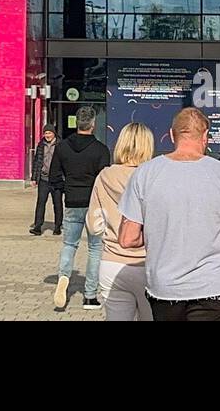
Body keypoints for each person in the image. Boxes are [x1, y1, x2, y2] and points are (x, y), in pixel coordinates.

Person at [117, 108, 220, 322]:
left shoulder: (145, 173)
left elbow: (127, 239)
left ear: (172, 134)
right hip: (212, 288)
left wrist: (158, 233)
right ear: (205, 137)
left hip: (165, 289)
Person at [86, 122, 154, 321]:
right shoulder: (153, 177)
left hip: (112, 263)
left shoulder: (104, 176)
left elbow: (94, 225)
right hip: (147, 264)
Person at [51, 106, 111, 311]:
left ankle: (63, 277)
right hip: (94, 204)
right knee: (95, 248)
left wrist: (64, 191)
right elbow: (104, 181)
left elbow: (54, 177)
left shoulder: (62, 147)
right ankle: (90, 296)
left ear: (76, 123)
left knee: (69, 244)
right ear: (93, 124)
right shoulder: (101, 150)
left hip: (72, 202)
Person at [29, 123, 64, 236]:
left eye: (49, 133)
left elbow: (65, 162)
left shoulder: (61, 145)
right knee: (41, 202)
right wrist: (34, 178)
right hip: (43, 179)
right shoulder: (41, 145)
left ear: (54, 133)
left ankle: (58, 226)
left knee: (57, 203)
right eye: (45, 133)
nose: (47, 135)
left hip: (57, 179)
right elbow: (37, 162)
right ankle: (38, 226)